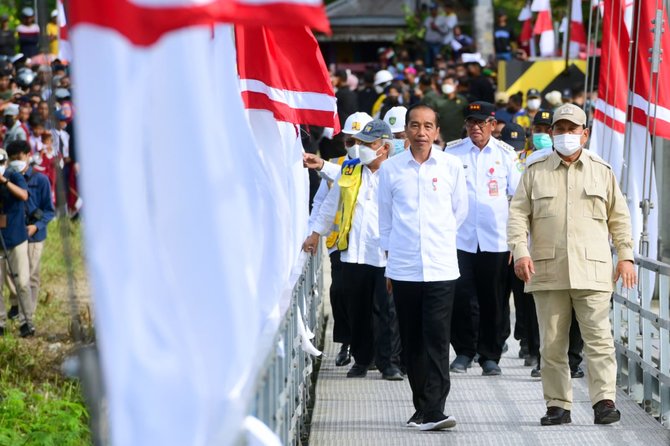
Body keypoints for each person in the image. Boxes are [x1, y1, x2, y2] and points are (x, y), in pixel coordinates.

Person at [508, 103, 637, 426]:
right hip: (547, 269)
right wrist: (520, 250)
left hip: (592, 271)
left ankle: (604, 402)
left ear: (585, 133)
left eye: (572, 129)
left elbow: (619, 219)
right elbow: (517, 215)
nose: (566, 135)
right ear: (551, 132)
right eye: (560, 129)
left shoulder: (602, 170)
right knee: (551, 344)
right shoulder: (535, 171)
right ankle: (557, 405)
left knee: (600, 342)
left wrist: (626, 257)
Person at [378, 104, 468, 431]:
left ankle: (435, 409)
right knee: (412, 340)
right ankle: (422, 407)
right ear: (405, 130)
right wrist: (390, 263)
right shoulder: (391, 169)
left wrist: (438, 239)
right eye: (414, 126)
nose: (421, 133)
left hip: (442, 267)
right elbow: (384, 220)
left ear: (436, 131)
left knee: (437, 337)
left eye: (427, 126)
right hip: (403, 269)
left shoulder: (451, 166)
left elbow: (459, 212)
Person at [309, 119, 404, 381]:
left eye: (367, 143)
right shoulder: (349, 170)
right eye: (359, 142)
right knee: (358, 309)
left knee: (387, 311)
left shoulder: (397, 172)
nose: (360, 147)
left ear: (384, 147)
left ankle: (390, 363)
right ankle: (362, 360)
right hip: (354, 252)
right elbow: (331, 204)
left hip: (386, 254)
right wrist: (316, 234)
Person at [446, 101, 522, 376]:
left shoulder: (506, 154)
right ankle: (464, 352)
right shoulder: (452, 152)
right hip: (460, 239)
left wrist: (518, 240)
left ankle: (490, 355)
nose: (475, 127)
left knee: (495, 300)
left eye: (481, 122)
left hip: (496, 240)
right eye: (470, 122)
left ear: (492, 124)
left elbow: (519, 198)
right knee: (461, 297)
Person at [303, 111, 373, 368]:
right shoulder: (337, 163)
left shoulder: (381, 163)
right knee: (341, 293)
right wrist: (314, 233)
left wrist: (323, 166)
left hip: (370, 244)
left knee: (369, 299)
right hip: (340, 242)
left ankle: (372, 350)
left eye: (360, 140)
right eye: (349, 141)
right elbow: (322, 201)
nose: (355, 146)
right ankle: (347, 342)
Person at [6, 140, 54, 321]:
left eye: (19, 157)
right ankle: (16, 303)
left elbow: (49, 210)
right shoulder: (8, 178)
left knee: (31, 274)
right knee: (13, 272)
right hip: (15, 233)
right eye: (12, 158)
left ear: (28, 156)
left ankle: (28, 314)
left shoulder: (40, 180)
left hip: (34, 233)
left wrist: (36, 226)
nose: (16, 161)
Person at [0, 142, 33, 337]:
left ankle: (26, 321)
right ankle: (1, 322)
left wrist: (4, 181)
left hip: (16, 237)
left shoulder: (14, 176)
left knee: (22, 282)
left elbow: (23, 195)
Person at [438, 75, 468, 142]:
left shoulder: (462, 100)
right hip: (442, 138)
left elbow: (467, 117)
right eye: (444, 84)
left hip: (459, 137)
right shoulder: (437, 100)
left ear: (455, 85)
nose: (446, 85)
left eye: (449, 83)